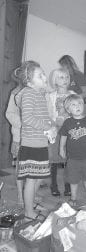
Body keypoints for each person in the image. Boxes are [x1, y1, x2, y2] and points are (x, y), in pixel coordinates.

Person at [15, 61, 55, 219]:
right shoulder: (29, 93)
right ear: (30, 82)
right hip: (31, 145)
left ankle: (30, 205)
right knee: (31, 181)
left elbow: (42, 117)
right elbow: (28, 119)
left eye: (43, 73)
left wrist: (51, 125)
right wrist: (47, 127)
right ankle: (29, 213)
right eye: (40, 75)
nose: (44, 77)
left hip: (39, 143)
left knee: (37, 177)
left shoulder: (38, 94)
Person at [59, 94, 86, 207]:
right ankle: (73, 198)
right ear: (68, 109)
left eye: (80, 103)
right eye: (73, 104)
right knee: (73, 180)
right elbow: (63, 136)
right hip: (73, 158)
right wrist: (61, 148)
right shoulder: (67, 122)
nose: (78, 106)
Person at [47, 68, 75, 197]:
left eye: (67, 77)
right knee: (53, 158)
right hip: (55, 131)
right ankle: (54, 184)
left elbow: (78, 111)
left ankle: (68, 185)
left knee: (69, 158)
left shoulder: (73, 95)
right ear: (55, 81)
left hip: (70, 131)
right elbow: (47, 114)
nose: (65, 80)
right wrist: (54, 122)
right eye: (61, 77)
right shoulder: (50, 96)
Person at [5, 70, 23, 205]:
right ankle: (21, 195)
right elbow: (10, 113)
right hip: (20, 136)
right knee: (20, 167)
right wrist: (23, 123)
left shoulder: (39, 92)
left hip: (35, 138)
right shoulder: (15, 92)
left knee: (32, 168)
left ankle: (30, 193)